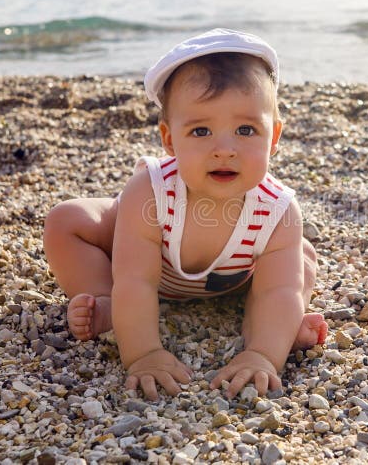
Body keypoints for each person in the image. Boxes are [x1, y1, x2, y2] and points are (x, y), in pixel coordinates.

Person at [43, 29, 328, 400]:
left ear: (273, 137)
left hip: (234, 281)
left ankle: (272, 329)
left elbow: (278, 288)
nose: (224, 149)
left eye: (245, 130)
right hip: (144, 266)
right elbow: (137, 281)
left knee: (300, 259)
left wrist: (262, 354)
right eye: (201, 130)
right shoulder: (151, 193)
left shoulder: (277, 211)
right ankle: (107, 303)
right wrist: (144, 353)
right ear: (169, 139)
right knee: (66, 221)